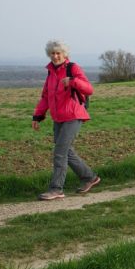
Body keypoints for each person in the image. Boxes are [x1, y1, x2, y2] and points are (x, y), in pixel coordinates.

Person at [31, 39, 99, 201]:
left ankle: (56, 189)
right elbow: (46, 97)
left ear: (64, 54)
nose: (55, 56)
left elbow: (89, 89)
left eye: (58, 53)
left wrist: (73, 81)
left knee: (60, 153)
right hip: (59, 118)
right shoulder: (51, 73)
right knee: (66, 151)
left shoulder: (72, 68)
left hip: (73, 115)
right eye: (52, 53)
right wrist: (37, 116)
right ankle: (89, 177)